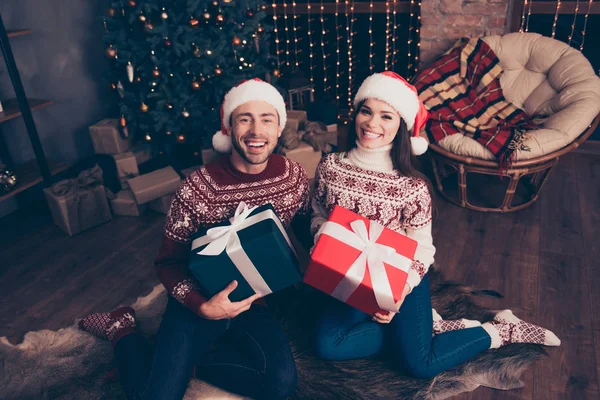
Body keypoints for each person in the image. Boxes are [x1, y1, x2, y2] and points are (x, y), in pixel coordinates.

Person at [310, 71, 560, 378]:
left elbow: (423, 249)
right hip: (345, 277)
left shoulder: (412, 186)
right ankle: (426, 329)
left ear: (401, 126)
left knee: (420, 363)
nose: (372, 124)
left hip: (398, 279)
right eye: (366, 111)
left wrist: (399, 293)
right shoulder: (330, 166)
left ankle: (498, 332)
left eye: (386, 116)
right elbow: (318, 215)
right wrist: (324, 232)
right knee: (327, 345)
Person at [79, 78, 311, 400]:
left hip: (254, 301)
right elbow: (168, 262)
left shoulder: (293, 177)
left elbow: (303, 227)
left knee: (280, 384)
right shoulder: (197, 188)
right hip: (197, 298)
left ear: (278, 126)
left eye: (266, 119)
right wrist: (201, 307)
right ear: (229, 128)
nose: (256, 130)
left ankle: (182, 366)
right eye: (245, 119)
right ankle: (123, 328)